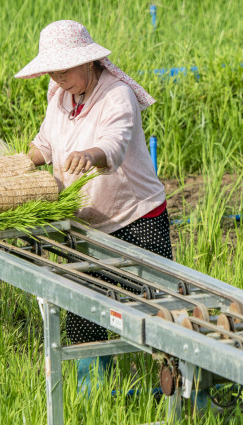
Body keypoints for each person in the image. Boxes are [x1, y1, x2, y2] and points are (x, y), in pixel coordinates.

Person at [15, 20, 170, 389]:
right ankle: (96, 395)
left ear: (87, 62)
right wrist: (14, 166)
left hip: (135, 221)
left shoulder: (117, 95)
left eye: (64, 70)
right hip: (85, 223)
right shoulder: (59, 93)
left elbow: (114, 146)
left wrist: (90, 155)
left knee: (153, 314)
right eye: (52, 71)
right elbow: (46, 144)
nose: (57, 77)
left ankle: (175, 379)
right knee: (85, 315)